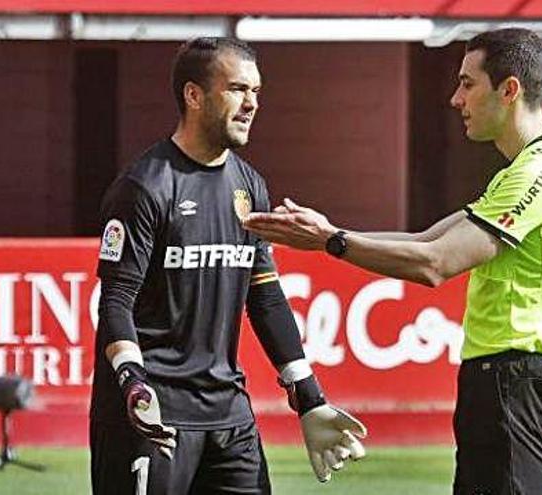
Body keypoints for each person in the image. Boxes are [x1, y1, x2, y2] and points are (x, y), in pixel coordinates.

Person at [244, 28, 542, 495]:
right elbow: (425, 238)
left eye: (468, 83)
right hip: (505, 379)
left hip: (516, 379)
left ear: (509, 90)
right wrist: (325, 235)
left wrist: (330, 241)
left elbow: (435, 262)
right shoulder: (527, 170)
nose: (455, 98)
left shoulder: (537, 174)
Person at [90, 37, 367, 495]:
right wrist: (133, 383)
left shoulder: (250, 185)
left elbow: (264, 296)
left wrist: (309, 396)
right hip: (153, 415)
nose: (252, 104)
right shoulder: (144, 187)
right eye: (238, 89)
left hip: (228, 415)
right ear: (193, 95)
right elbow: (116, 301)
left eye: (256, 92)